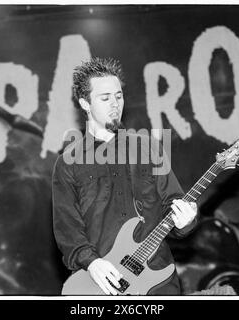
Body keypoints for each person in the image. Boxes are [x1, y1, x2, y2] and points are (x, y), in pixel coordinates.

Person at [52, 57, 198, 295]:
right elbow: (67, 228)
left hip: (158, 279)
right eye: (105, 98)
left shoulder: (147, 147)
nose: (115, 104)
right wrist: (92, 262)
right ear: (85, 104)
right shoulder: (68, 163)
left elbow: (173, 201)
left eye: (118, 96)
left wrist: (186, 220)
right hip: (103, 284)